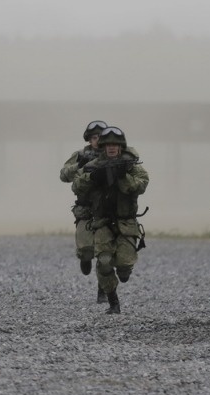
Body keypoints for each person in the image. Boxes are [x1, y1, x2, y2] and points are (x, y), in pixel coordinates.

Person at [72, 126, 149, 314]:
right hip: (102, 222)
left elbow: (141, 185)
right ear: (104, 147)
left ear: (121, 146)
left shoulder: (132, 165)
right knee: (104, 261)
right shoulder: (93, 165)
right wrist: (92, 177)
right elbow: (76, 186)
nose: (112, 148)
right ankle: (113, 301)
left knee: (124, 267)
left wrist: (123, 177)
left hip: (126, 222)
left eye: (115, 144)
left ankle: (123, 272)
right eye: (108, 145)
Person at [60, 120, 107, 301]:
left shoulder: (113, 154)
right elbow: (63, 175)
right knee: (86, 249)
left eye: (101, 137)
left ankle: (103, 289)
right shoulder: (80, 155)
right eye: (94, 137)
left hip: (106, 211)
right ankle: (85, 259)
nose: (98, 141)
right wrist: (80, 165)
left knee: (105, 255)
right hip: (86, 210)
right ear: (89, 139)